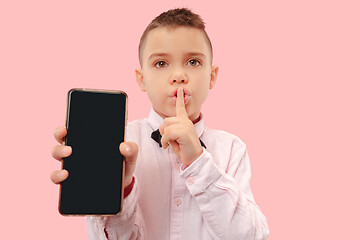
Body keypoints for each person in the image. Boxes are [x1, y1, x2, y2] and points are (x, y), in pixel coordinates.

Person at [51, 8, 269, 240]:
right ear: (141, 78)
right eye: (161, 63)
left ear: (212, 76)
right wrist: (119, 190)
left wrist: (199, 161)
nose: (178, 75)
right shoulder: (121, 143)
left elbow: (251, 236)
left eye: (193, 61)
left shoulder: (232, 149)